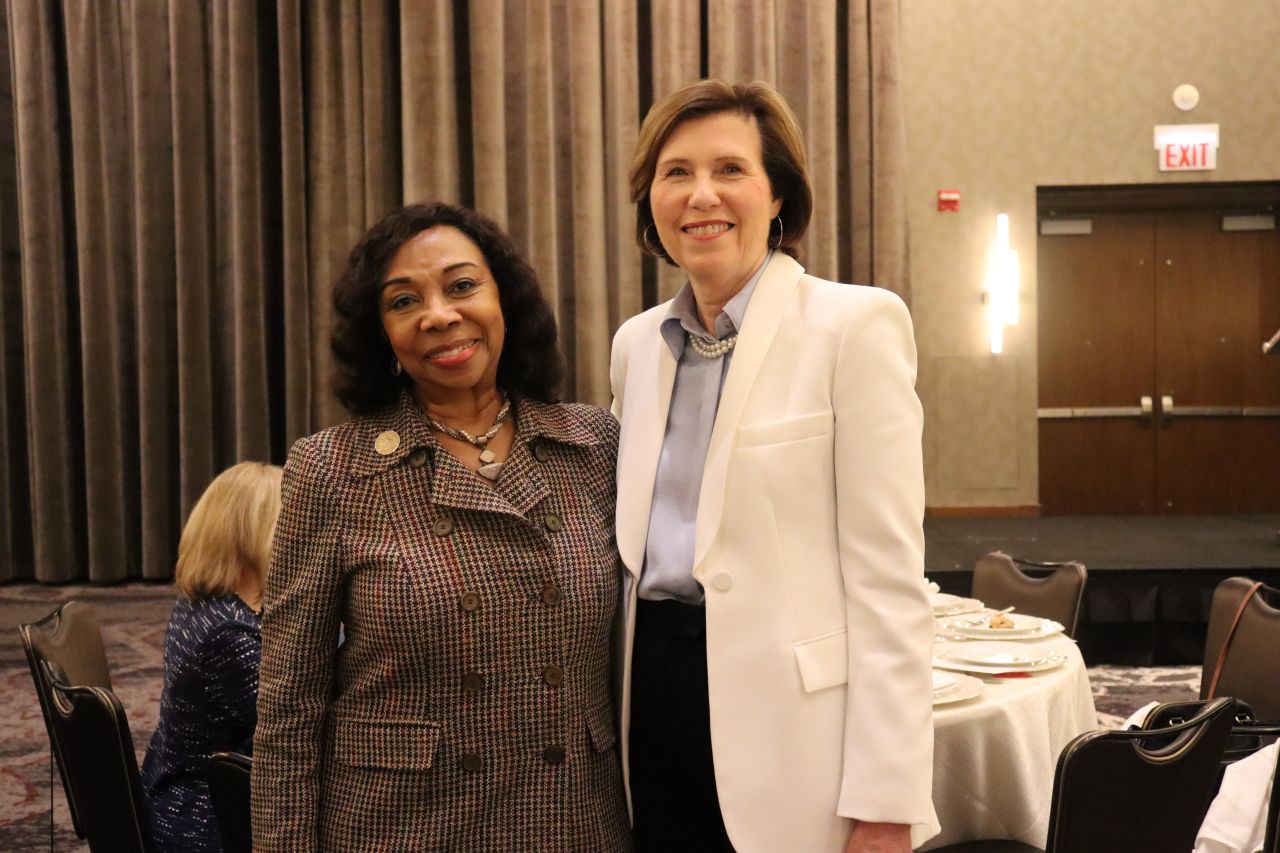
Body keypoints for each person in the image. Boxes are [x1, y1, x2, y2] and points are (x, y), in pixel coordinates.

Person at [610, 79, 940, 852]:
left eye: (730, 169)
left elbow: (888, 583)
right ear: (650, 202)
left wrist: (887, 799)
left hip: (793, 733)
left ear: (777, 196)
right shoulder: (637, 345)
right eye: (675, 172)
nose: (701, 195)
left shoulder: (853, 326)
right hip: (648, 698)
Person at [251, 202, 631, 851]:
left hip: (572, 817)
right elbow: (290, 704)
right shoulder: (331, 469)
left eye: (461, 285)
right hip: (405, 824)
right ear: (382, 332)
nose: (438, 314)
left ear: (504, 299)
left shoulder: (594, 445)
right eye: (404, 301)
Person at [142, 461, 284, 852]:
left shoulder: (207, 604)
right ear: (259, 536)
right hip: (209, 819)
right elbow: (294, 727)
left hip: (180, 791)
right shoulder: (227, 635)